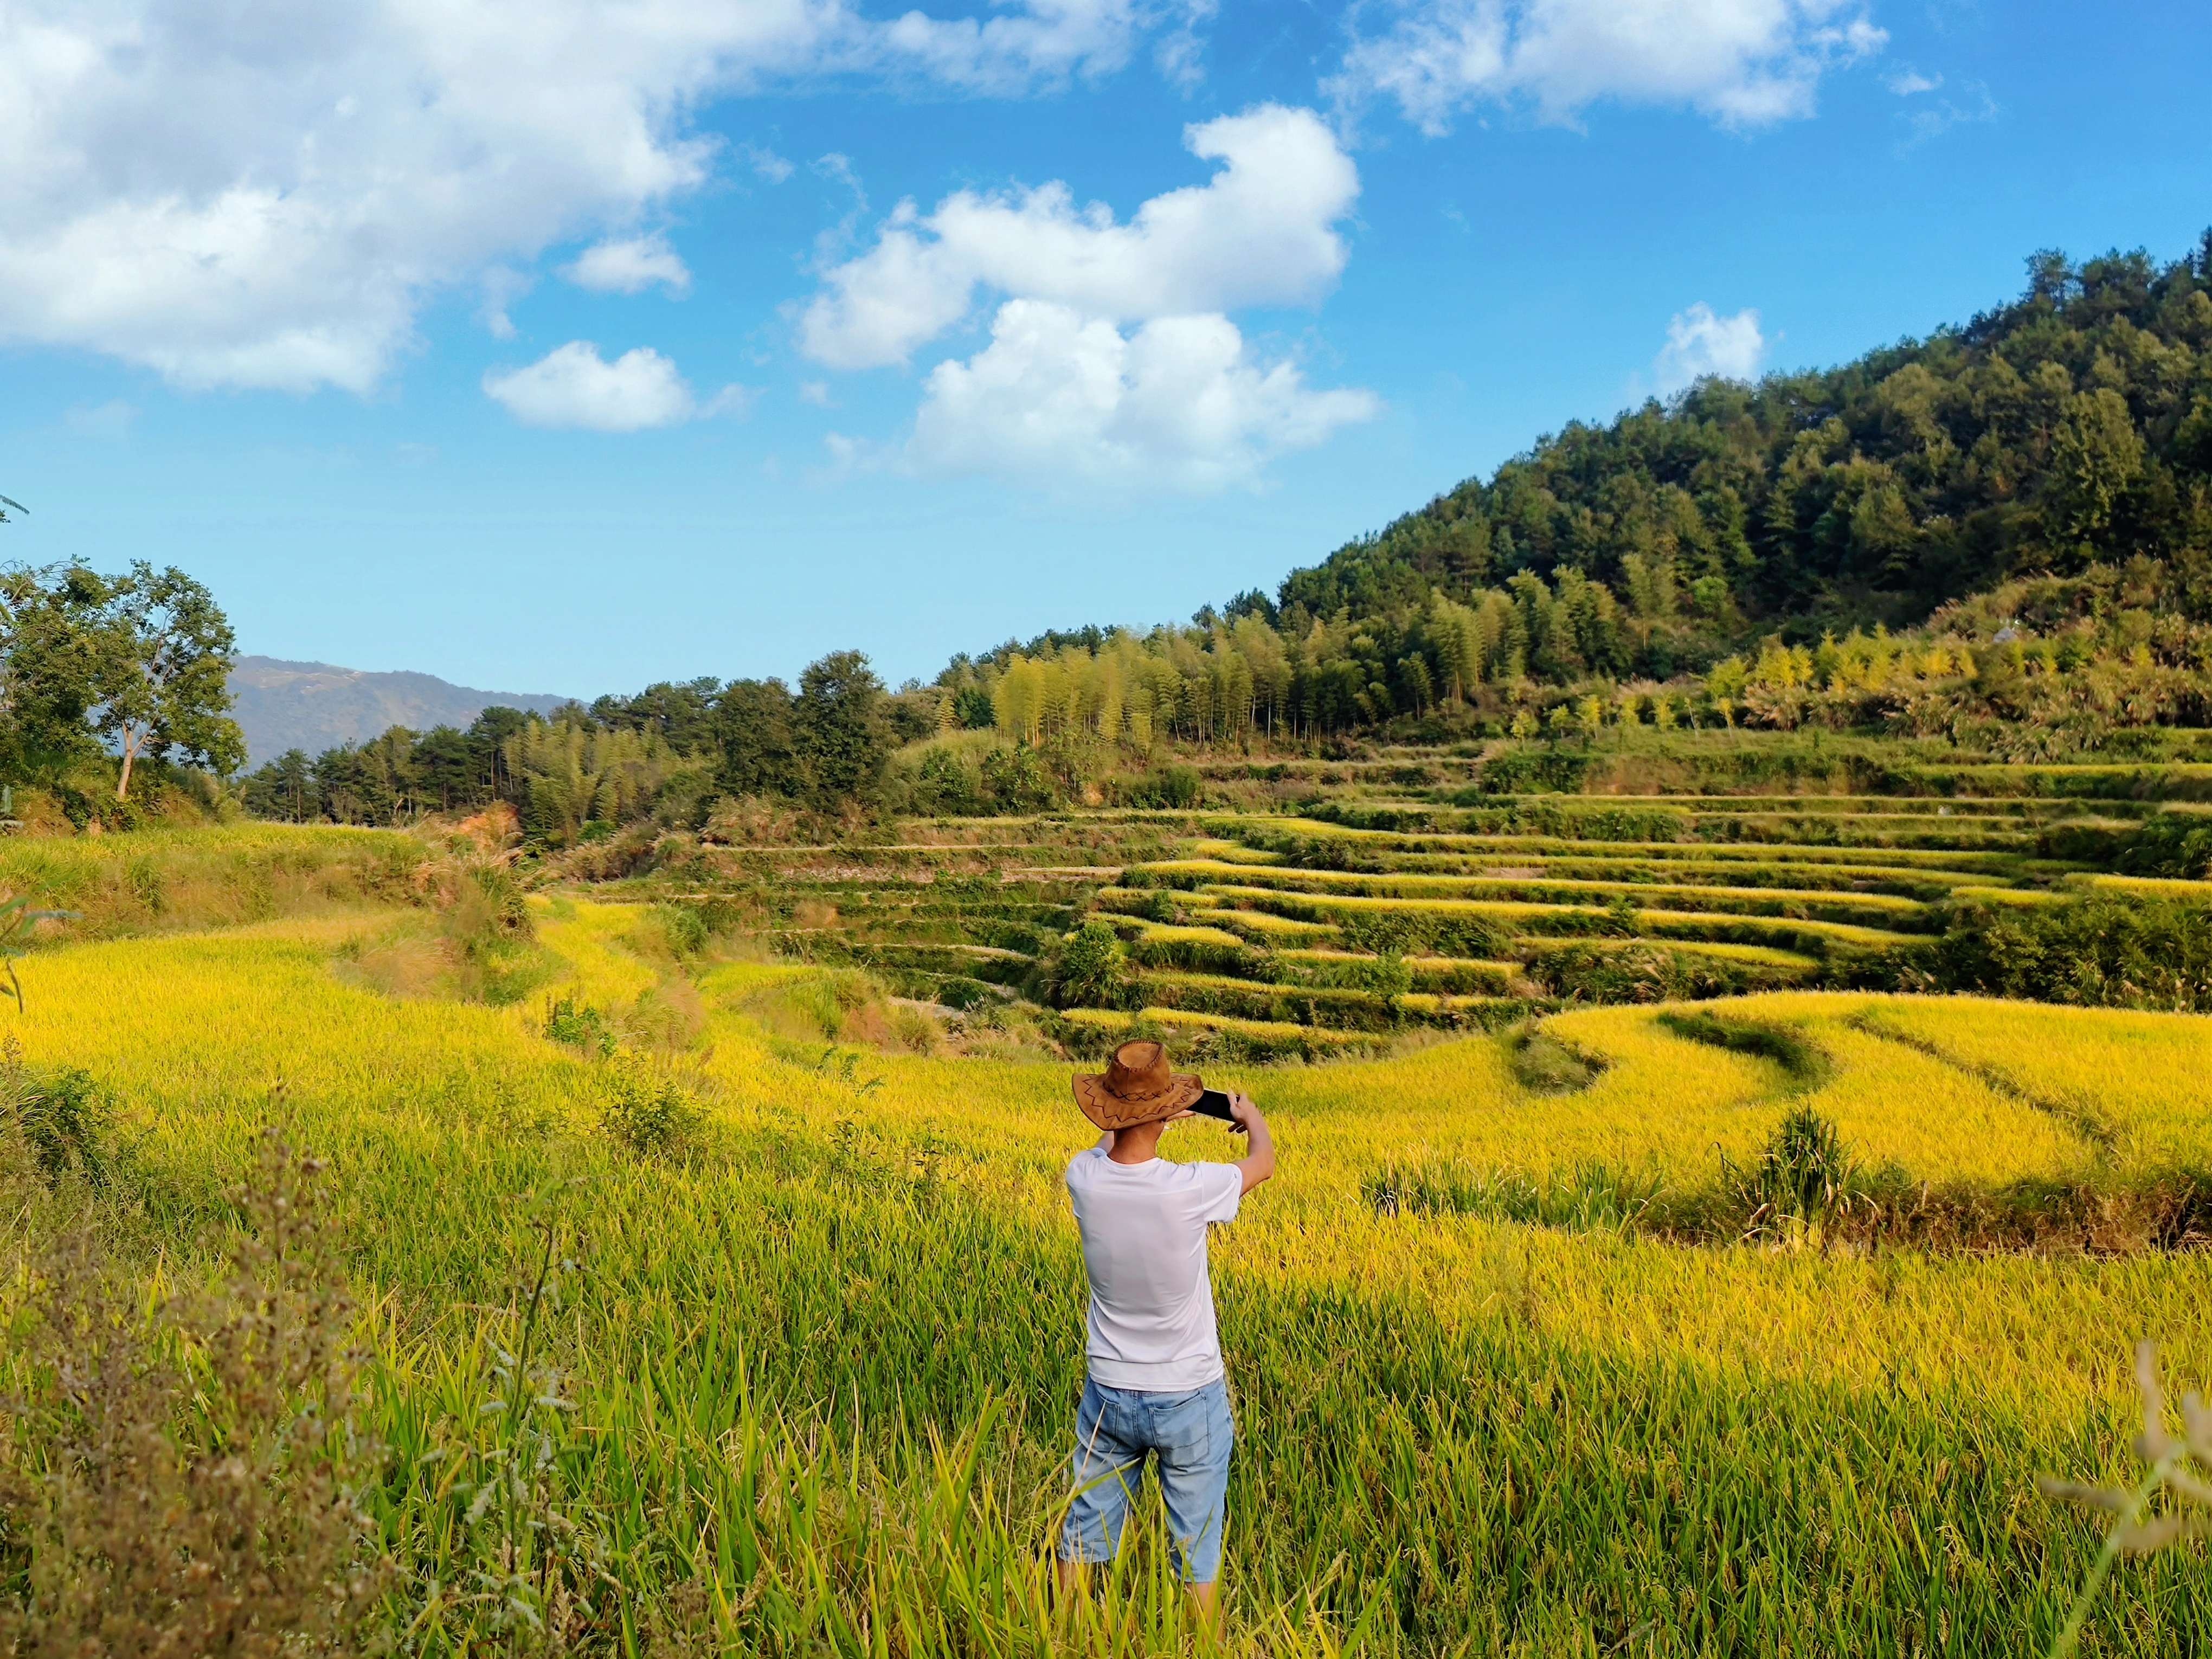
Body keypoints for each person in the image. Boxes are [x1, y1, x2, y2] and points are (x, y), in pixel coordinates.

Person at [1056, 1039, 1277, 1626]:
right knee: (1196, 1545)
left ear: (1109, 1111)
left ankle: (1066, 1635)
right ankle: (1200, 1643)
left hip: (1108, 1392)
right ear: (1167, 1114)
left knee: (1083, 1531)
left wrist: (1139, 1118)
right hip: (1188, 1394)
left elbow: (1110, 1148)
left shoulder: (1082, 1178)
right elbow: (1263, 1164)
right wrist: (1250, 1117)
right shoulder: (1190, 1187)